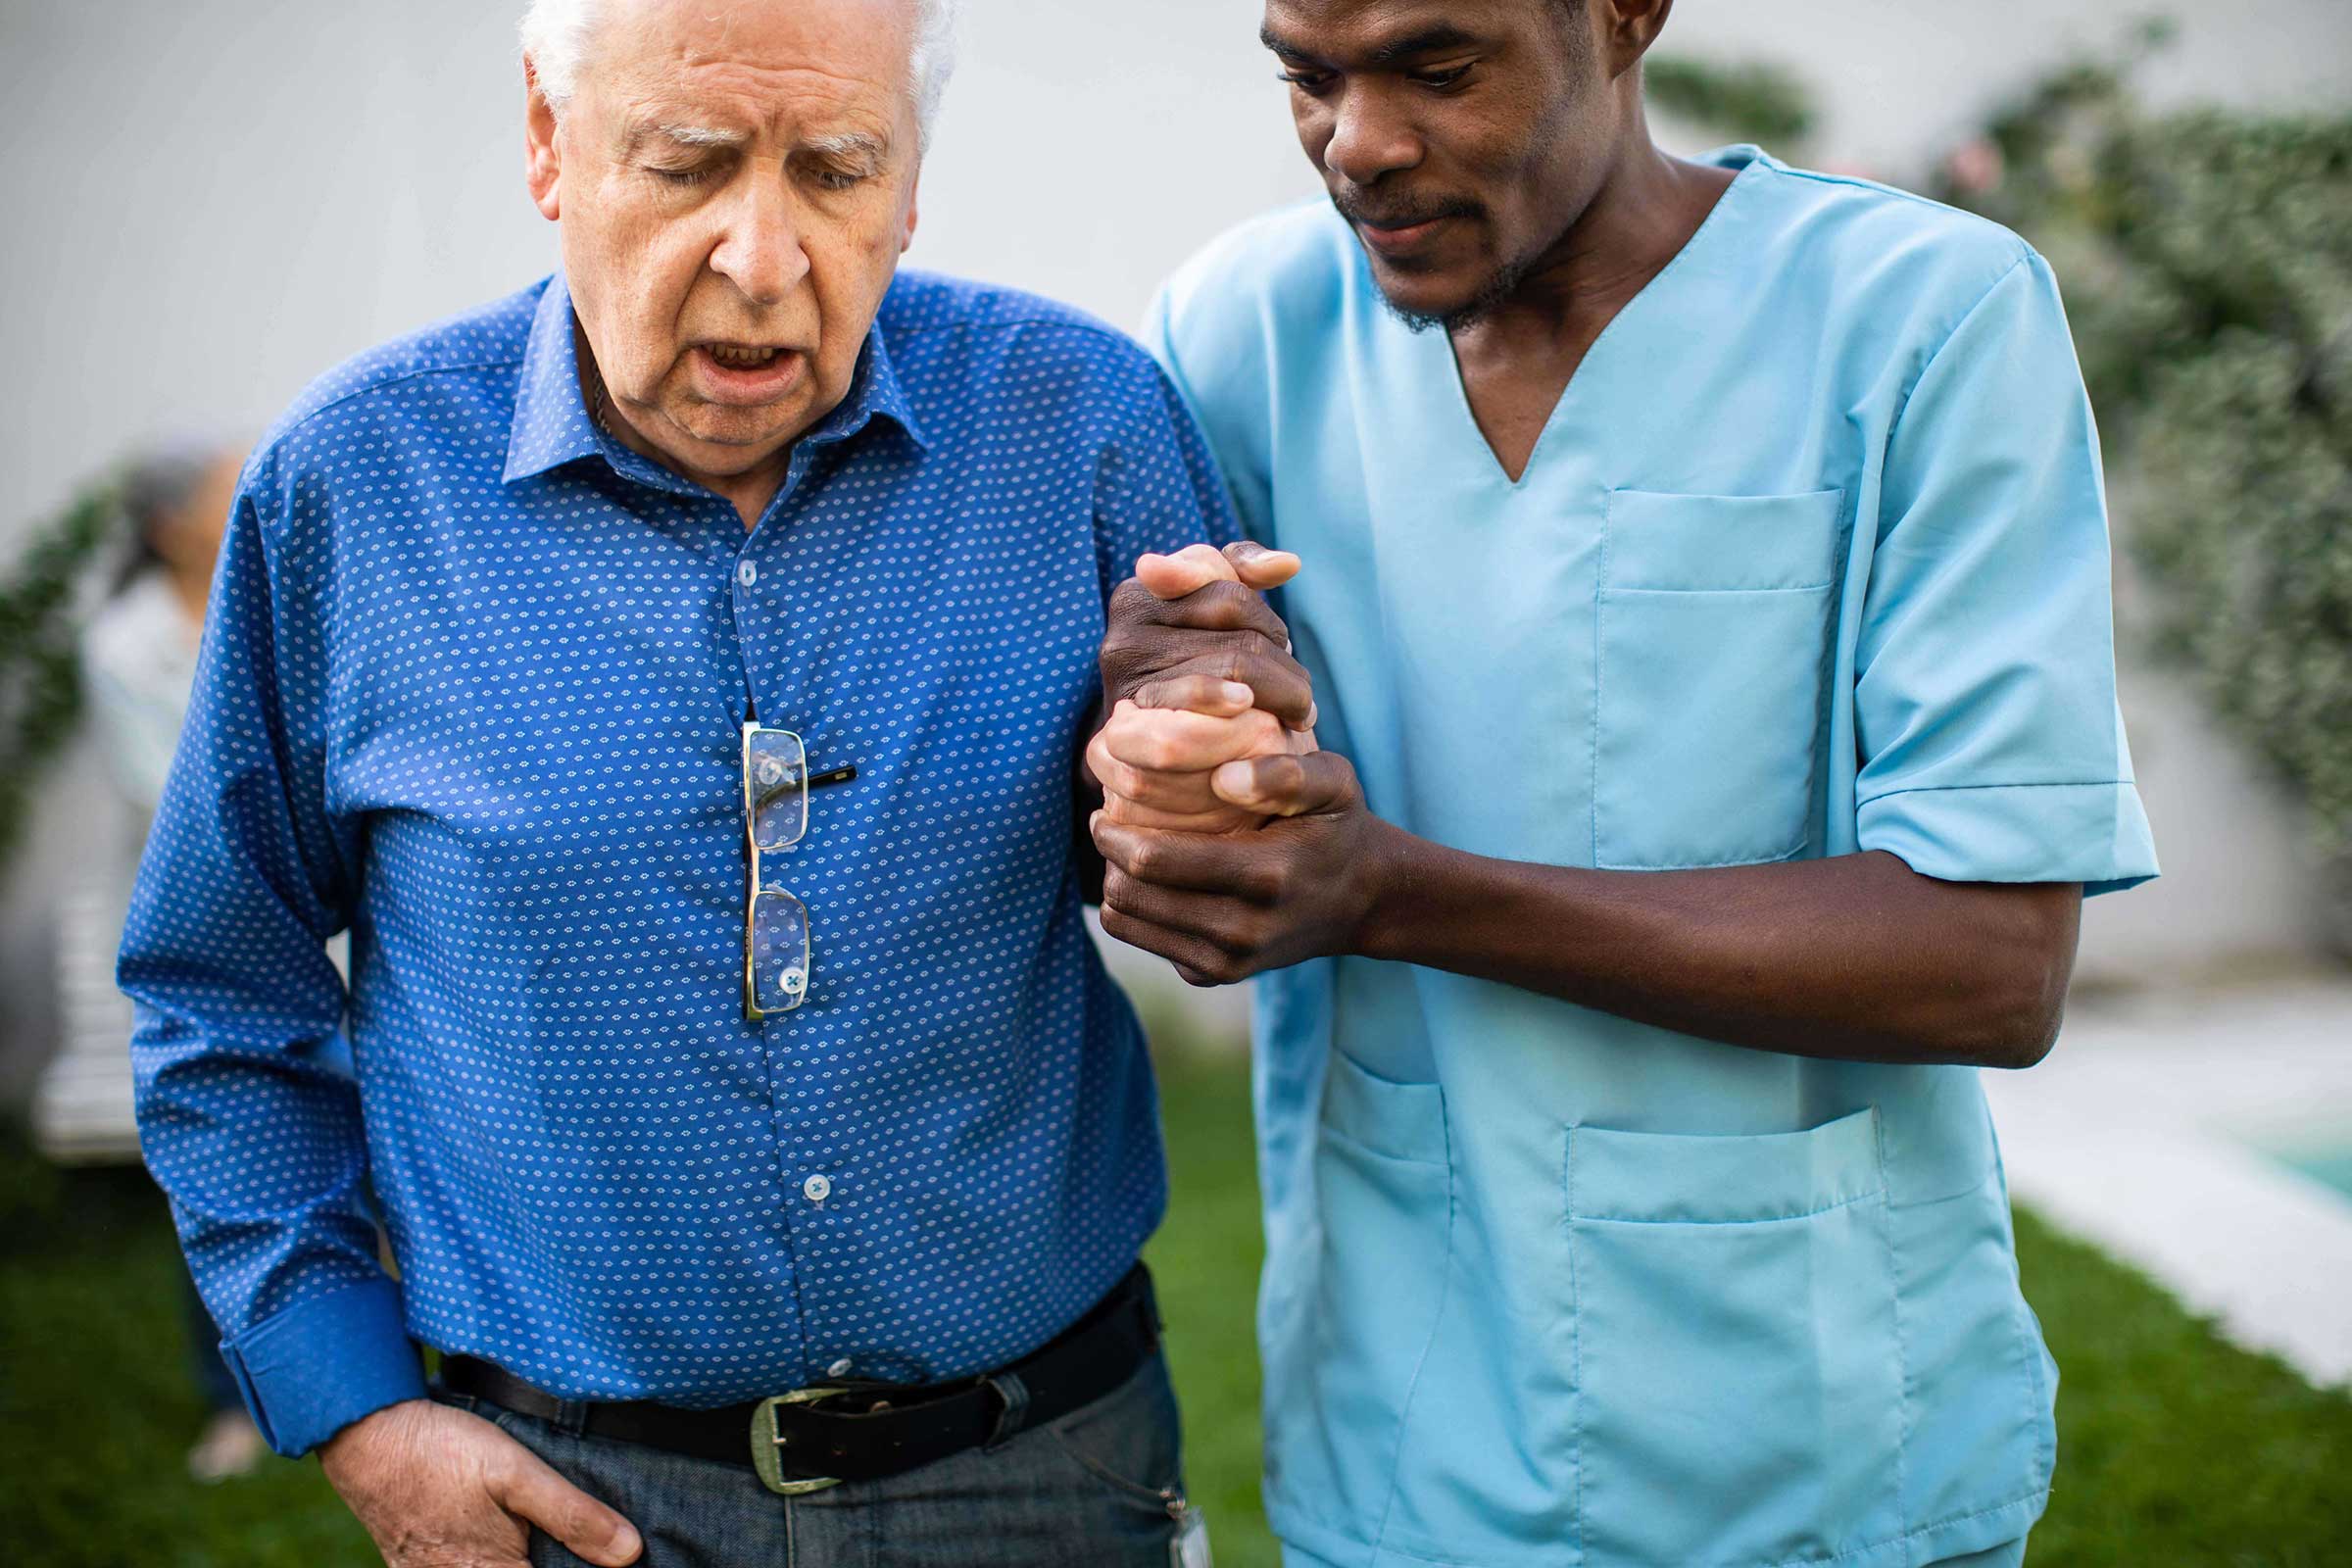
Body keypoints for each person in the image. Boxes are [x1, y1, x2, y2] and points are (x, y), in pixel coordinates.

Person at [121, 1, 1245, 1562]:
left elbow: (1225, 848)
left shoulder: (1085, 425)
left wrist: (1218, 811)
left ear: (912, 180)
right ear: (547, 143)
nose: (766, 257)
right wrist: (361, 1413)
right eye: (691, 165)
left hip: (1047, 1472)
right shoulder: (350, 494)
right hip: (574, 1505)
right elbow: (219, 992)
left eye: (839, 172)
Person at [1088, 2, 2160, 1566]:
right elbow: (1162, 778)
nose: (1359, 143)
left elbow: (1992, 963)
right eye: (1308, 78)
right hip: (1404, 1437)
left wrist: (1390, 891)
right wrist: (1171, 725)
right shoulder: (1242, 334)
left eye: (1439, 69)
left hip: (1823, 1444)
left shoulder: (1924, 317)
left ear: (1624, 15)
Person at [42, 440, 280, 1482]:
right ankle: (235, 1403)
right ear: (172, 523)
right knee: (227, 1163)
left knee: (358, 1157)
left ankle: (367, 1385)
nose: (254, 493)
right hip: (212, 942)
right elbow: (171, 791)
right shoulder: (126, 642)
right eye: (229, 487)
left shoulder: (274, 591)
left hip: (323, 924)